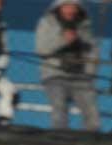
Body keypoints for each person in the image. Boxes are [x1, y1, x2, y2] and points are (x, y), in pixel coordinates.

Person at [35, 0, 100, 131]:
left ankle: (92, 143)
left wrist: (91, 72)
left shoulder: (84, 25)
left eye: (73, 6)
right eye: (66, 6)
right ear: (59, 7)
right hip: (55, 74)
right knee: (60, 111)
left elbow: (92, 50)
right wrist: (63, 41)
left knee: (92, 113)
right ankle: (59, 142)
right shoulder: (47, 23)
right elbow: (41, 50)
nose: (70, 10)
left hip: (81, 76)